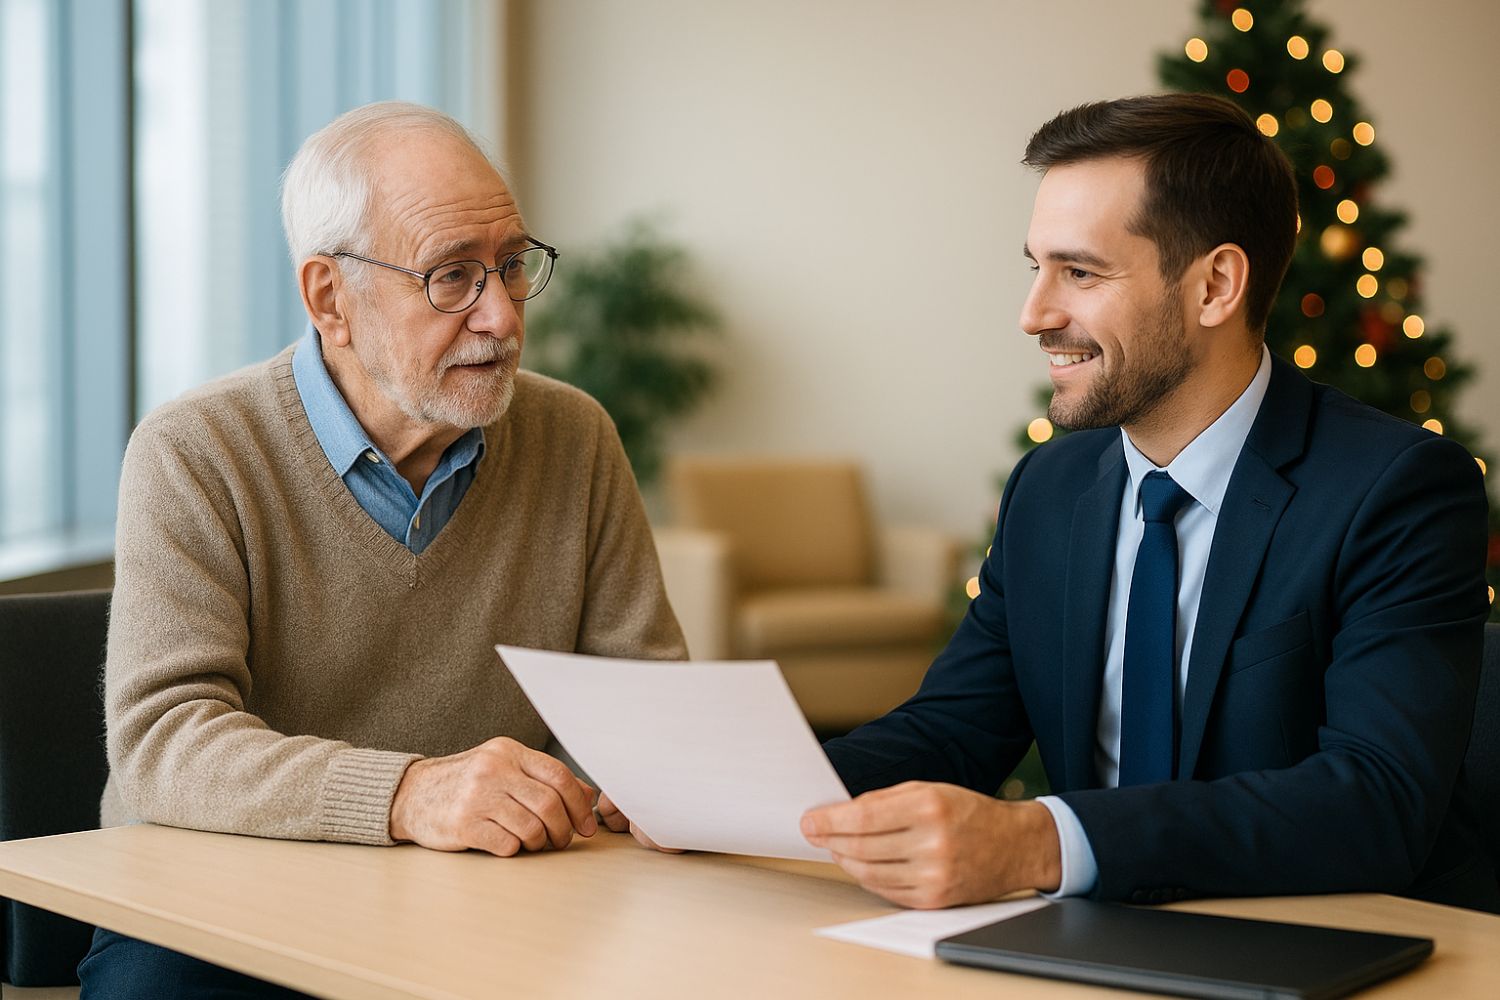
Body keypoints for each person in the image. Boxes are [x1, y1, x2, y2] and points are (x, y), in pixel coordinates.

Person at [801, 93, 1496, 914]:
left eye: (1080, 273)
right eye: (1035, 268)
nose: (1034, 314)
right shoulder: (1047, 488)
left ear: (1215, 286)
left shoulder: (1400, 488)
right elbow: (952, 730)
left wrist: (1038, 841)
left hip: (1334, 938)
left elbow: (1378, 802)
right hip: (1094, 943)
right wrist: (738, 794)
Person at [81, 102, 685, 997]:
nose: (502, 318)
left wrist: (648, 771)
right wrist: (409, 794)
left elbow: (648, 707)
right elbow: (164, 743)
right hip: (226, 895)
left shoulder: (575, 436)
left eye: (512, 266)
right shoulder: (196, 451)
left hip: (488, 893)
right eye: (452, 277)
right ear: (331, 299)